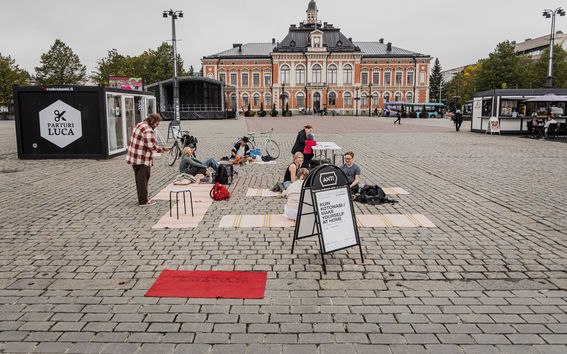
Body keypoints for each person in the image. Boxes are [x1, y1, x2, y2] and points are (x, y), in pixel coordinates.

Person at [126, 113, 170, 206]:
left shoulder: (140, 124)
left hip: (134, 158)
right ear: (152, 121)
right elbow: (151, 146)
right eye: (156, 124)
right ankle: (143, 201)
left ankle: (143, 197)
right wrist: (162, 149)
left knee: (139, 179)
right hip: (142, 159)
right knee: (143, 180)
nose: (156, 126)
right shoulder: (148, 130)